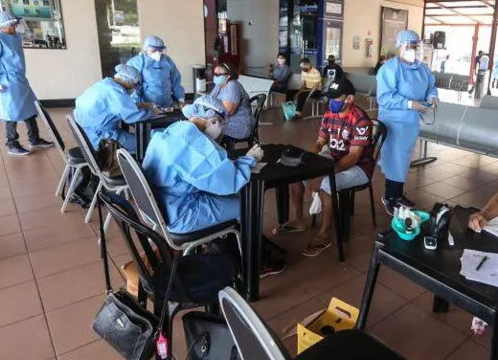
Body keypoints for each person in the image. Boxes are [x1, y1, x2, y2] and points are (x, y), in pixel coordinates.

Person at [143, 95, 286, 276]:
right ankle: (257, 264)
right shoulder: (194, 144)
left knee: (225, 200)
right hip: (181, 214)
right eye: (221, 122)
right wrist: (249, 160)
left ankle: (225, 245)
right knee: (246, 205)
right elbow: (230, 182)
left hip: (163, 206)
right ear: (213, 120)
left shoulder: (176, 129)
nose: (221, 129)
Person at [275, 79, 375, 257]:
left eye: (336, 98)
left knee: (328, 183)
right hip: (333, 159)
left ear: (349, 98)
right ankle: (299, 219)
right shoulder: (330, 114)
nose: (331, 102)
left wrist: (322, 173)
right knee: (296, 171)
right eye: (330, 98)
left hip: (359, 168)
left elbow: (353, 157)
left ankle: (324, 235)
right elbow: (320, 143)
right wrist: (308, 162)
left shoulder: (360, 121)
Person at [377, 29, 438, 215]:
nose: (413, 49)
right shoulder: (389, 69)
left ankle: (397, 194)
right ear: (400, 46)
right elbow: (384, 98)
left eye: (415, 46)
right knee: (394, 159)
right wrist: (410, 103)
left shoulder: (422, 68)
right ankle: (390, 196)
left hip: (410, 123)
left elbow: (431, 86)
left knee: (402, 160)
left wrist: (433, 97)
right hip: (394, 122)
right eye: (409, 46)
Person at [0, 11, 53, 156]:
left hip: (20, 79)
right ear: (6, 25)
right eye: (13, 23)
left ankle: (34, 139)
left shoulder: (15, 37)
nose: (16, 25)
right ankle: (12, 143)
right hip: (8, 82)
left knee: (30, 109)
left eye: (15, 22)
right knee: (10, 113)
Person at [74, 64, 155, 153]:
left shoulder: (104, 83)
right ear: (128, 82)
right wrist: (152, 113)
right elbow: (131, 116)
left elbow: (112, 106)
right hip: (102, 138)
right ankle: (137, 164)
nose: (134, 88)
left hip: (86, 134)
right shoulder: (115, 90)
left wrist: (139, 105)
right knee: (148, 144)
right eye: (134, 85)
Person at [127, 35, 185, 108]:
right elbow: (133, 86)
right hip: (147, 105)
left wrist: (180, 99)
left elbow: (176, 81)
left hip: (167, 104)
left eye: (160, 50)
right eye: (154, 51)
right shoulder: (137, 62)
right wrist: (137, 105)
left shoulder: (167, 61)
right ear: (146, 48)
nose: (157, 53)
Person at [210, 62, 255, 144]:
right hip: (224, 121)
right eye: (214, 74)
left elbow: (227, 111)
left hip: (239, 124)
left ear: (228, 76)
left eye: (218, 74)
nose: (215, 77)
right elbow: (210, 100)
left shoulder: (233, 85)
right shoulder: (219, 85)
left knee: (205, 131)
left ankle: (216, 154)